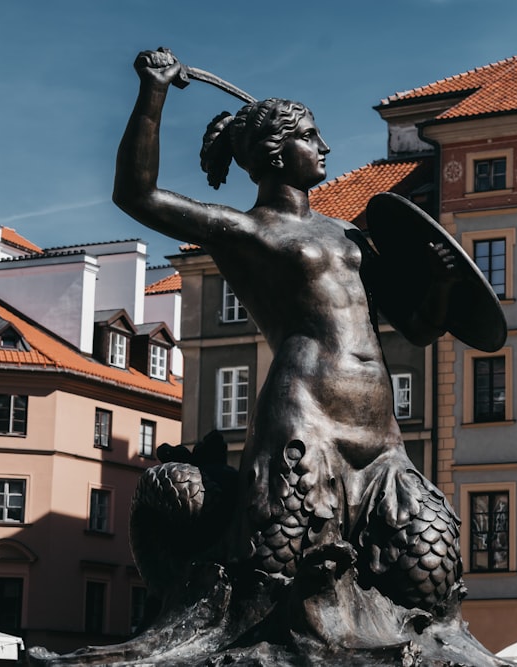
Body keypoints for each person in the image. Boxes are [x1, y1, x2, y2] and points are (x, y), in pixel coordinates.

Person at [114, 48, 464, 610]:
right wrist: (152, 94)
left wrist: (442, 284)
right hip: (306, 415)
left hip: (378, 427)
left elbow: (418, 331)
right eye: (310, 135)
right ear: (275, 152)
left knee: (432, 562)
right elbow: (137, 194)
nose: (324, 147)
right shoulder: (244, 231)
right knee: (273, 574)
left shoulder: (351, 235)